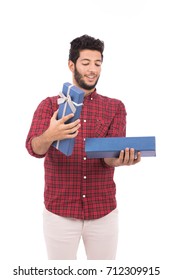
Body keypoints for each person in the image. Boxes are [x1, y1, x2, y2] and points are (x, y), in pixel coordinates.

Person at [25, 34, 141, 260]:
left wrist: (120, 159)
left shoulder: (115, 107)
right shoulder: (49, 105)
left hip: (103, 213)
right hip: (59, 213)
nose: (92, 70)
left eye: (97, 64)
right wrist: (51, 134)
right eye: (86, 63)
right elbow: (34, 148)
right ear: (72, 65)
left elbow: (109, 158)